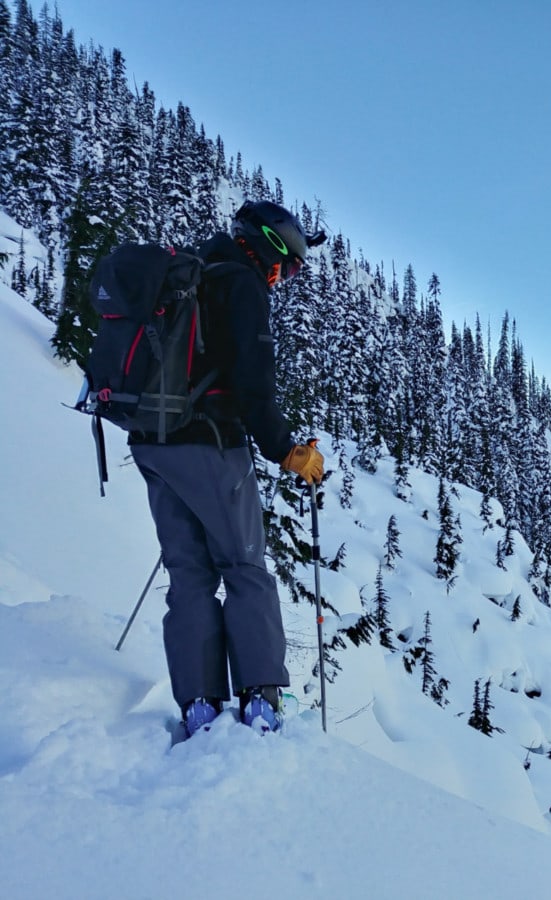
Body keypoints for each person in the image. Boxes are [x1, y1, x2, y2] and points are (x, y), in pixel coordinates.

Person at [130, 200, 326, 738]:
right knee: (245, 571)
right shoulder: (242, 285)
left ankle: (199, 705)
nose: (286, 278)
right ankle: (261, 702)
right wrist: (288, 450)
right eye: (288, 266)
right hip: (211, 445)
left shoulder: (191, 271)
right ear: (267, 247)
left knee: (188, 573)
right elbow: (254, 385)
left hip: (152, 441)